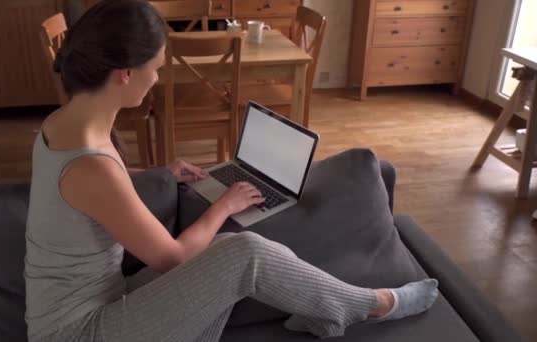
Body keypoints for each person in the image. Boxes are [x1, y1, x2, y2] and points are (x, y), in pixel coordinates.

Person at [24, 1, 439, 341]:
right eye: (155, 67)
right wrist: (223, 205)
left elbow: (87, 188)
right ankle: (370, 305)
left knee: (228, 264)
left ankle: (320, 308)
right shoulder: (90, 165)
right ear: (125, 74)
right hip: (80, 332)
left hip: (95, 305)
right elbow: (173, 257)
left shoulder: (62, 123)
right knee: (242, 251)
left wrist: (158, 172)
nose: (156, 78)